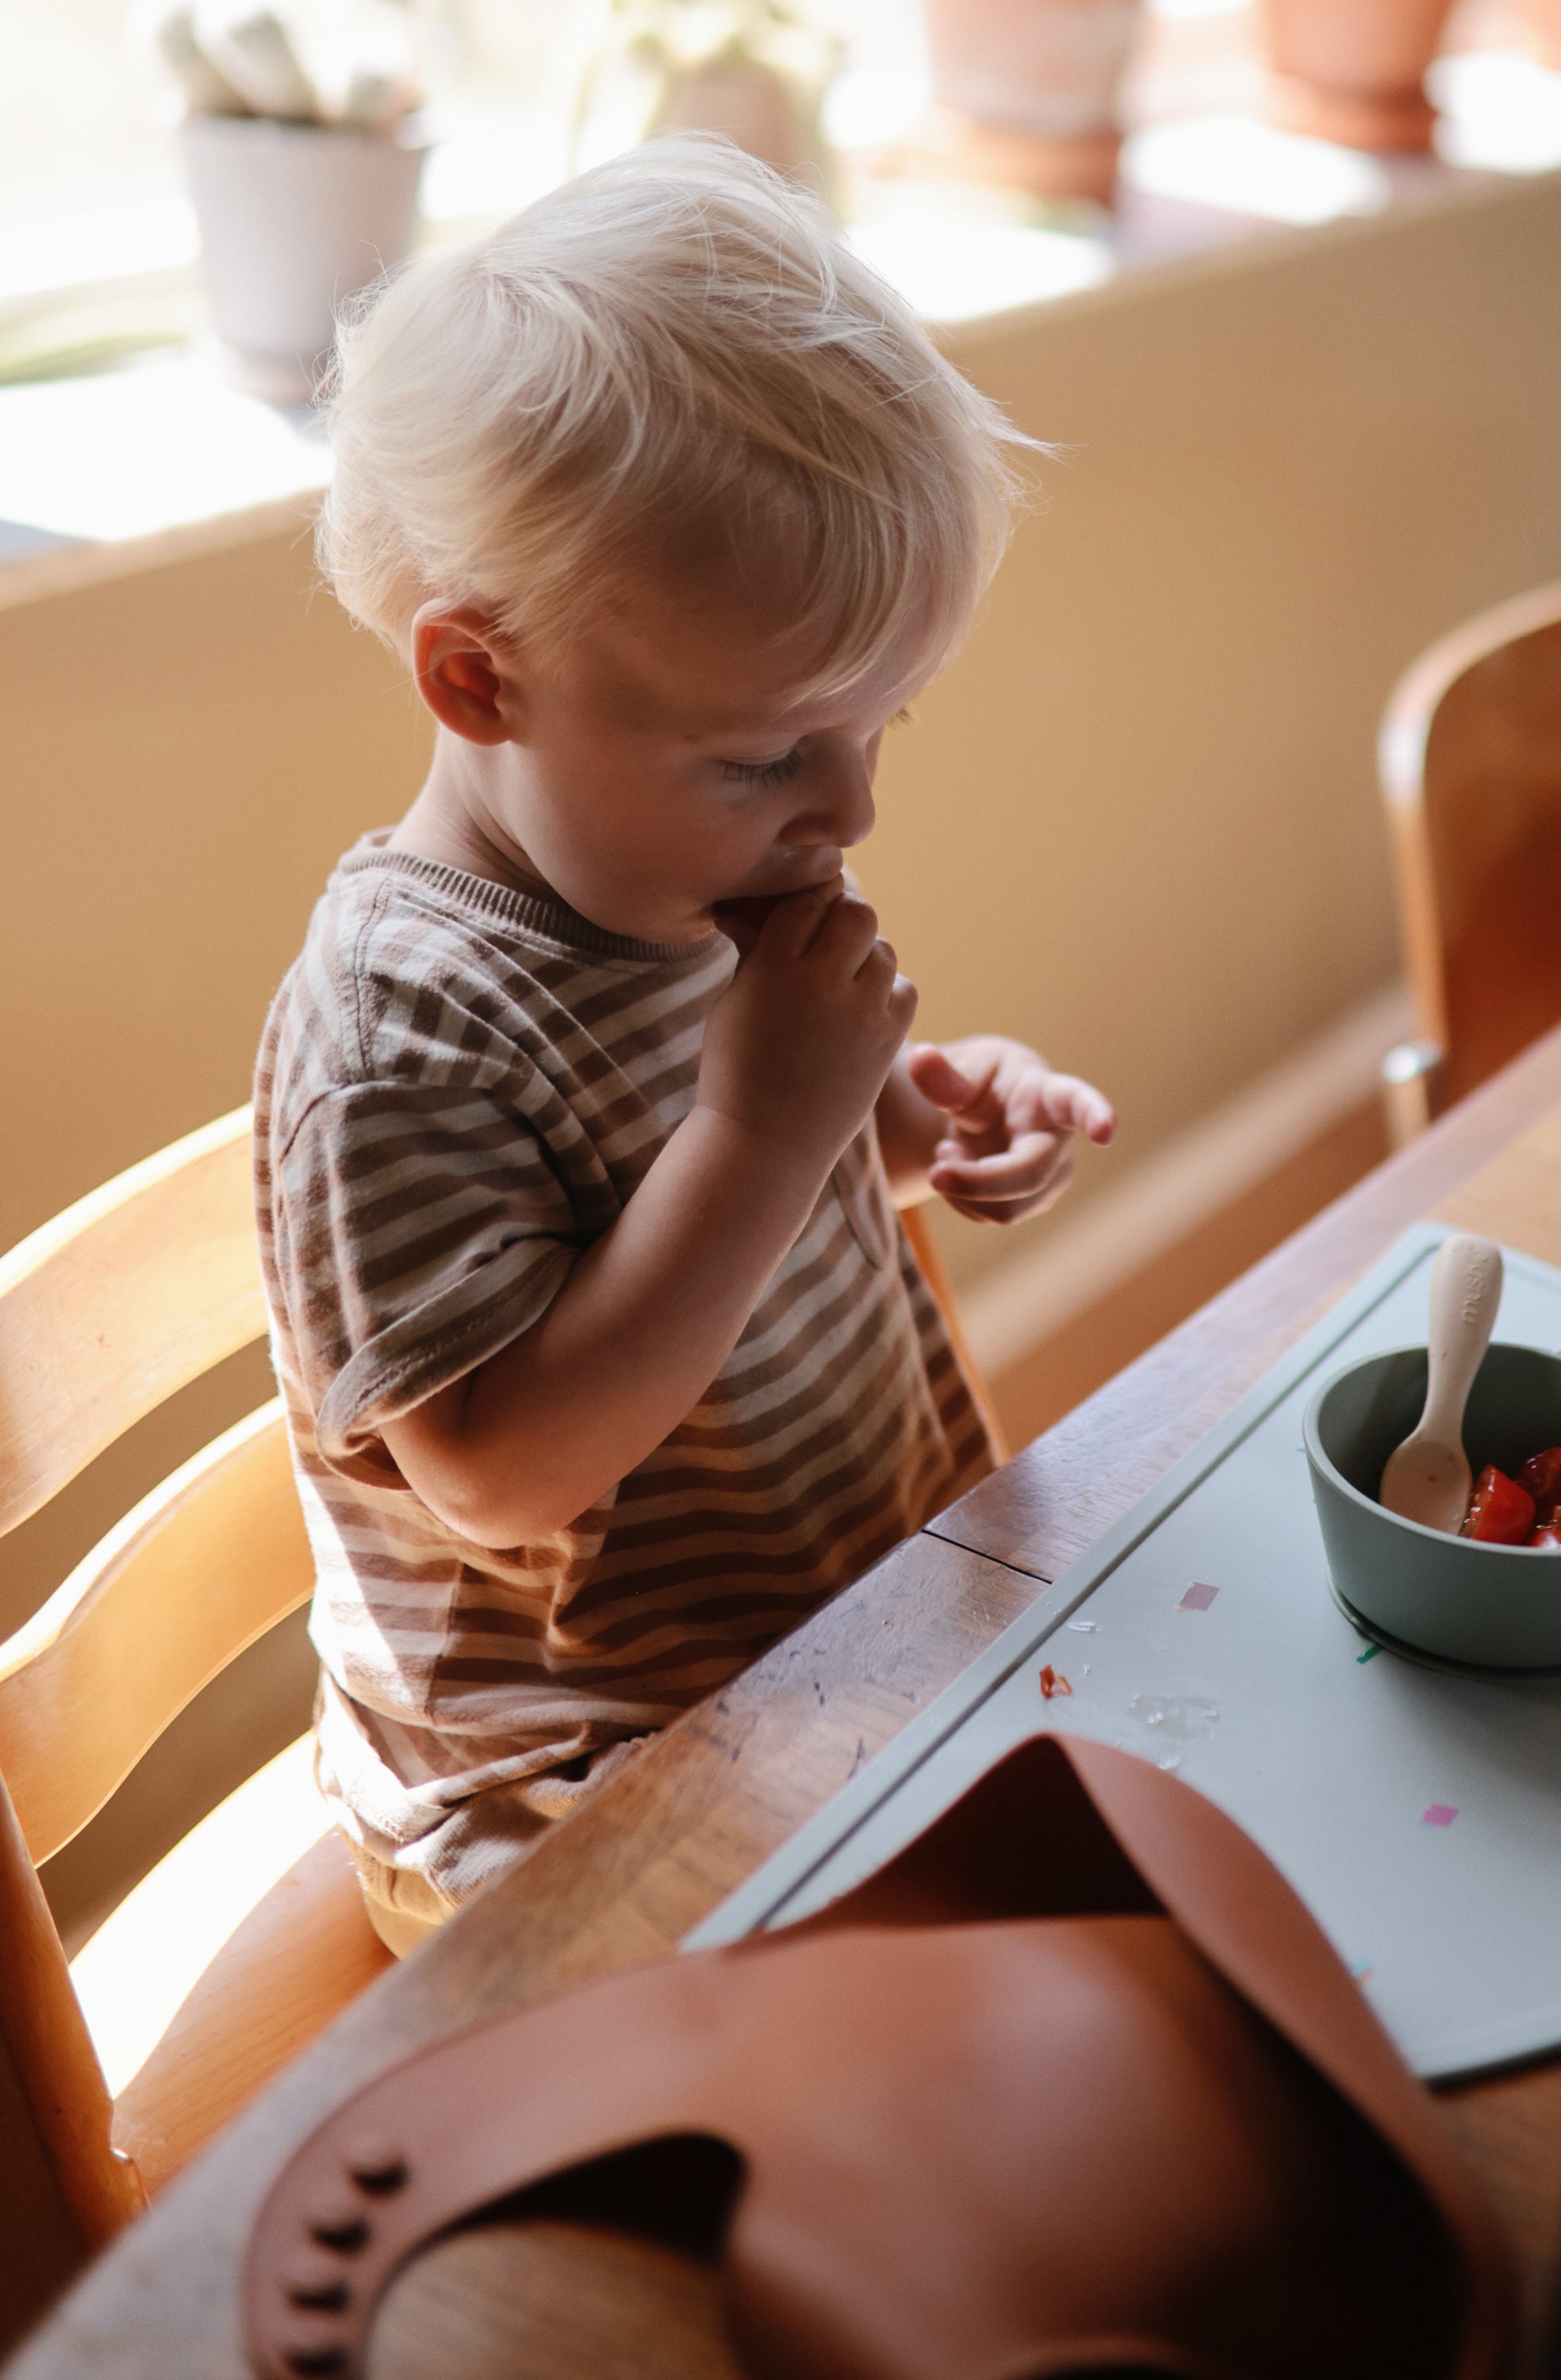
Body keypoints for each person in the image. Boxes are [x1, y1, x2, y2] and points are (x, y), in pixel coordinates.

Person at [254, 136, 1114, 1954]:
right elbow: (502, 1473)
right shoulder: (401, 1040)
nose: (853, 808)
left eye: (886, 721)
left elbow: (787, 1191)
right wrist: (758, 1130)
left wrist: (922, 1124)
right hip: (578, 1780)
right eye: (769, 751)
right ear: (479, 677)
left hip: (833, 1638)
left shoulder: (684, 871)